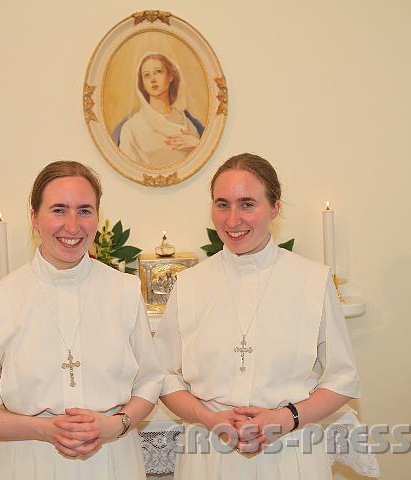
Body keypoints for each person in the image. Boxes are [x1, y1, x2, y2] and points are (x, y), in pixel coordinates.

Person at [153, 153, 361, 479]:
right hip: (209, 452)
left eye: (247, 204)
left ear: (275, 208)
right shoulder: (190, 284)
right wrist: (210, 419)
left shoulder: (312, 281)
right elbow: (163, 375)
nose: (233, 219)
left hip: (291, 450)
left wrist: (285, 419)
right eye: (222, 204)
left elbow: (343, 378)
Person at [0, 161, 163, 479]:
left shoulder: (123, 290)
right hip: (29, 461)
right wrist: (44, 429)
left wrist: (116, 423)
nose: (72, 225)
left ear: (97, 216)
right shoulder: (0, 299)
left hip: (112, 459)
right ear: (34, 218)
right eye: (58, 210)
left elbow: (149, 380)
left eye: (84, 210)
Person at [113, 52, 204, 169]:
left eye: (158, 72)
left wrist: (196, 144)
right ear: (143, 83)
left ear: (170, 76)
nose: (153, 79)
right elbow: (127, 170)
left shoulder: (187, 123)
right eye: (147, 75)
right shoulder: (131, 128)